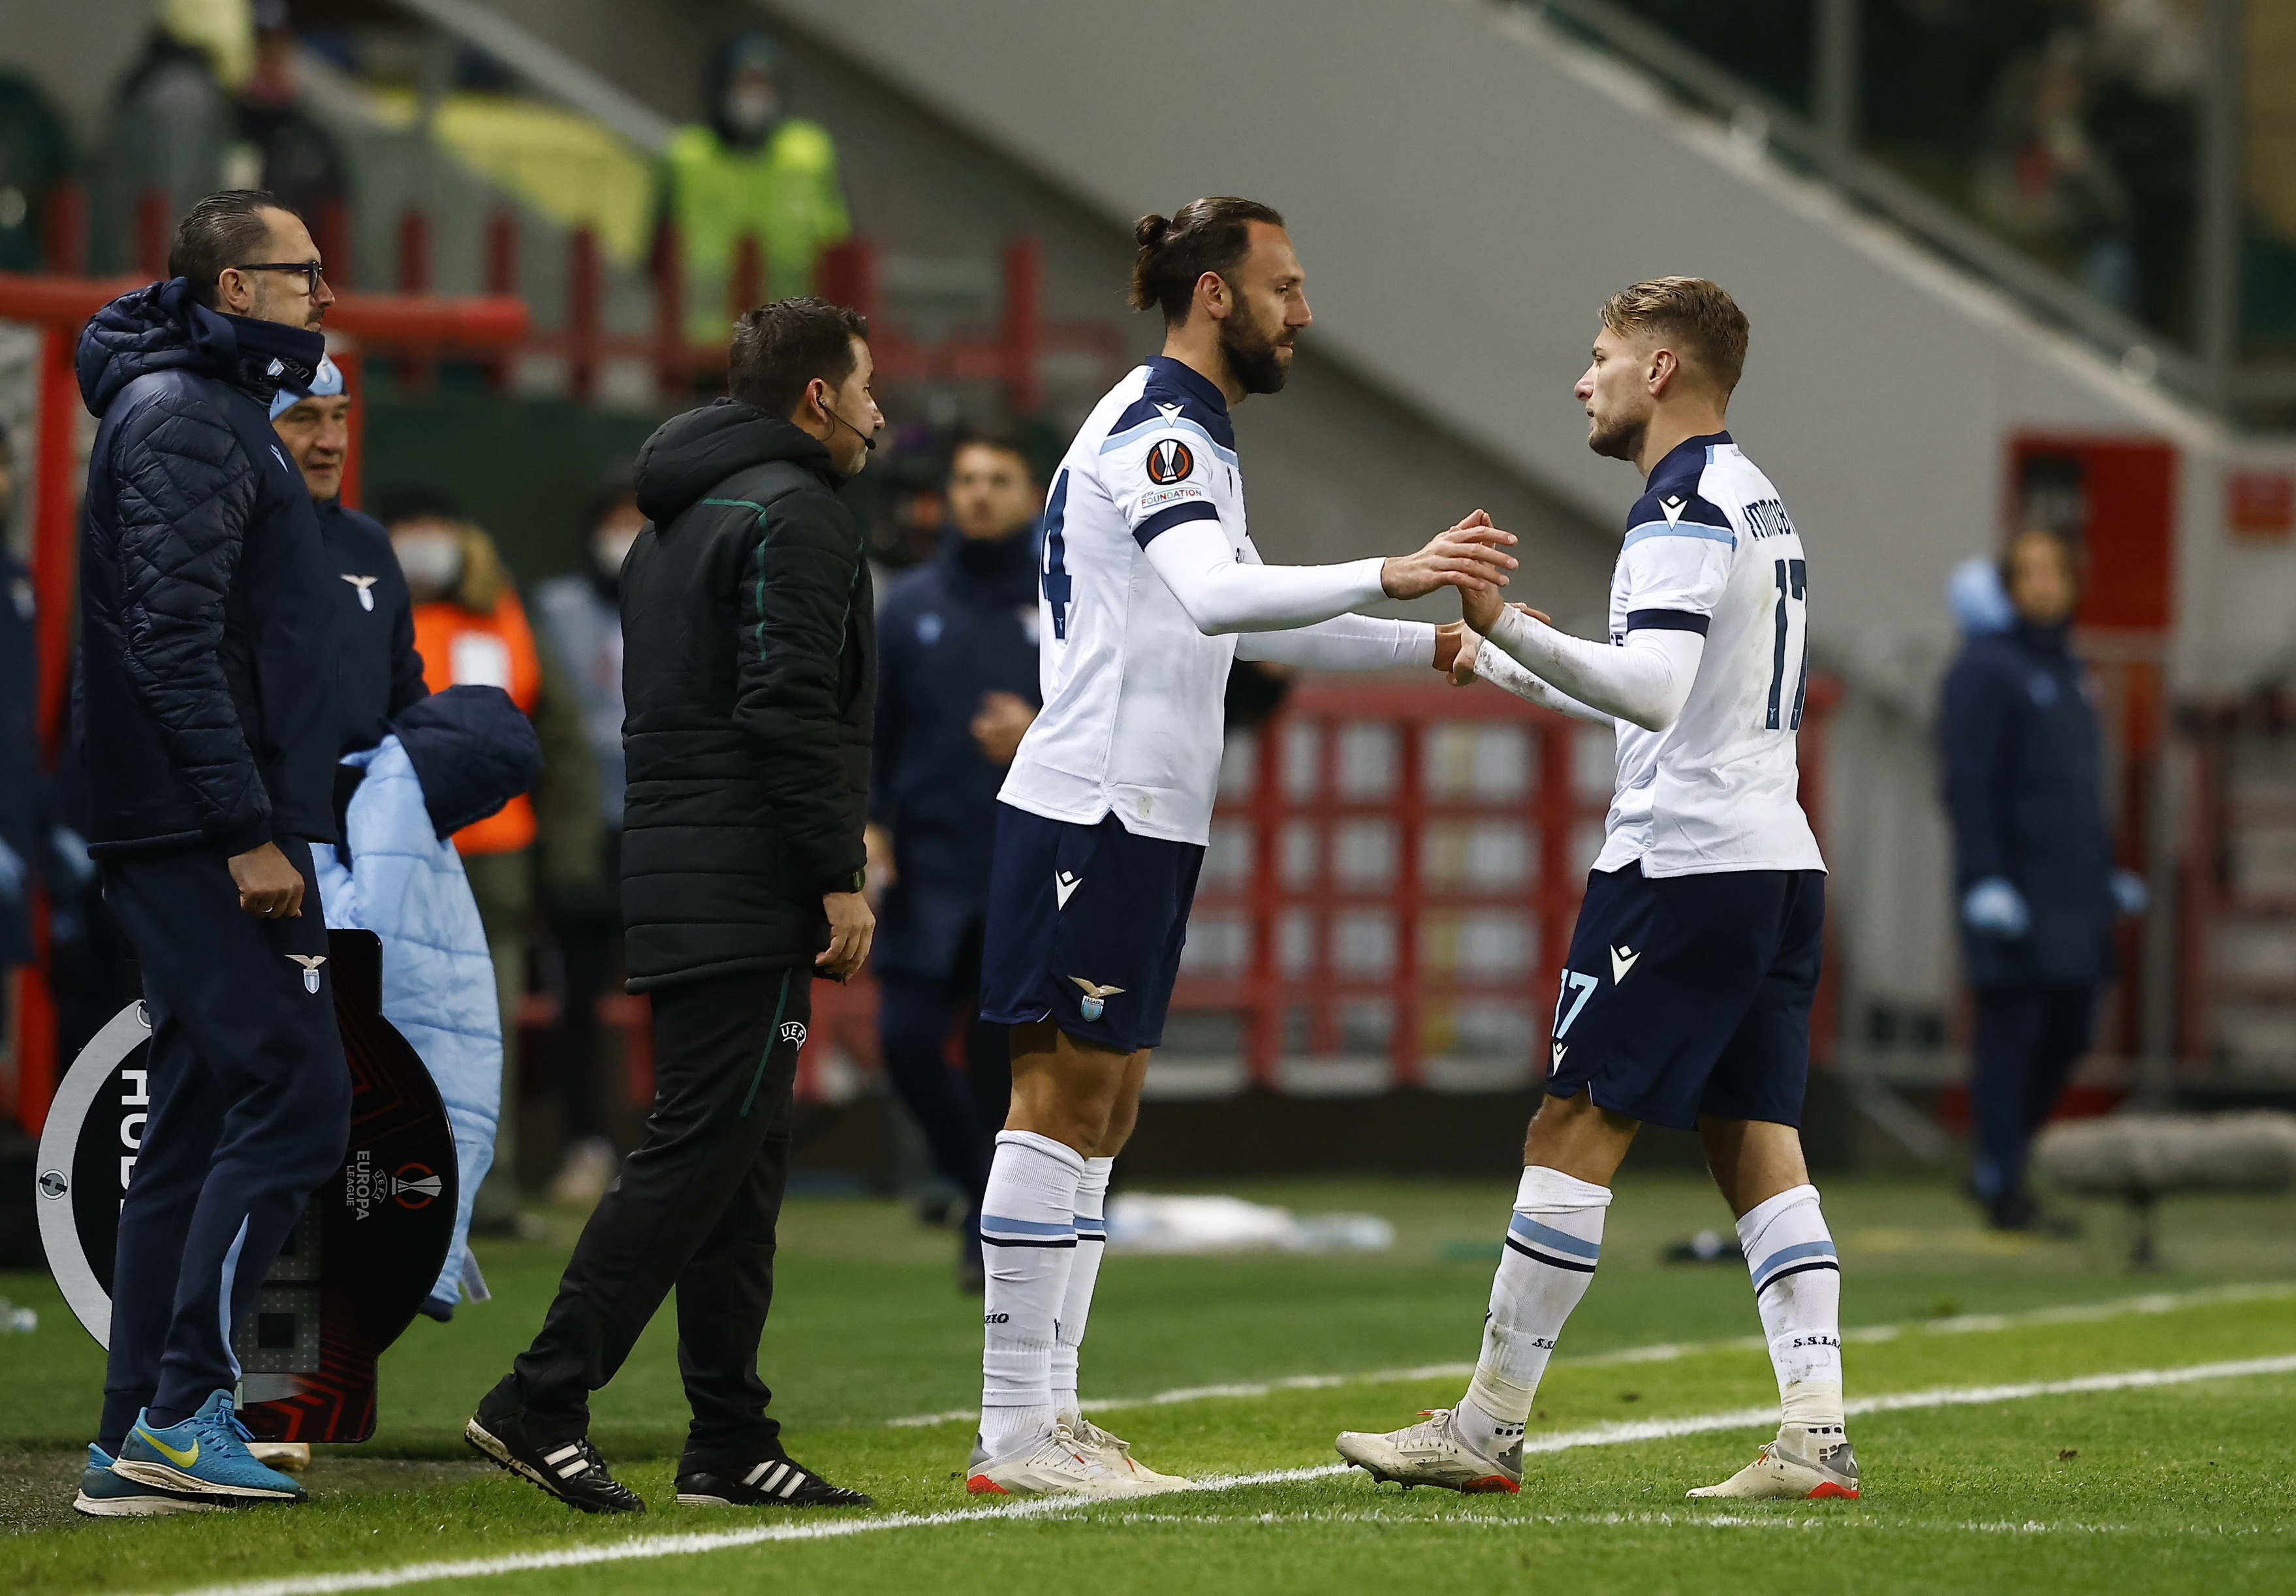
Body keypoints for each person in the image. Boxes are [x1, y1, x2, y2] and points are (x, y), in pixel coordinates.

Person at [966, 197, 1512, 1498]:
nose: (1303, 313)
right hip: (1089, 799)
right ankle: (1012, 1430)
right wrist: (1394, 568)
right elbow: (1220, 592)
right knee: (1055, 1093)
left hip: (1150, 807)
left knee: (1107, 1102)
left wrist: (1426, 638)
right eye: (1286, 286)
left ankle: (1055, 1407)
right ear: (1214, 293)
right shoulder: (1160, 424)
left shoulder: (1193, 432)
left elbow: (1242, 617)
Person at [1335, 277, 1851, 1503]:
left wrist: (1503, 618)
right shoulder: (1755, 496)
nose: (1584, 379)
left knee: (1570, 1127)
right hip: (1773, 860)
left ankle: (1487, 1425)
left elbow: (1654, 693)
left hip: (1681, 869)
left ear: (1661, 370)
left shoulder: (1677, 505)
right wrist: (1506, 658)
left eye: (1603, 356)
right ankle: (1813, 1434)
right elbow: (1668, 694)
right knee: (1753, 1141)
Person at [465, 297, 882, 1515]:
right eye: (864, 390)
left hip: (679, 864)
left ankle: (728, 1438)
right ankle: (540, 1396)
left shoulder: (676, 521)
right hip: (745, 883)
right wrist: (836, 873)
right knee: (701, 1149)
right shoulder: (797, 512)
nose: (877, 416)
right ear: (815, 399)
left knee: (739, 1161)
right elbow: (785, 705)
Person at [72, 189, 344, 1514]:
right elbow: (170, 647)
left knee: (189, 1118)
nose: (324, 293)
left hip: (190, 817)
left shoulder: (209, 406)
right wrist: (245, 827)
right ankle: (185, 1409)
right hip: (198, 826)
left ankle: (131, 1432)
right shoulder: (186, 415)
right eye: (301, 274)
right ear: (236, 290)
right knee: (296, 1096)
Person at [271, 358, 527, 1322]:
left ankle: (308, 1371)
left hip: (373, 862)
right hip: (253, 863)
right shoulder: (221, 546)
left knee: (382, 1097)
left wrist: (456, 751)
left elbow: (401, 702)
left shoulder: (368, 548)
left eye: (340, 417)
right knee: (276, 1118)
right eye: (304, 418)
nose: (331, 438)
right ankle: (240, 1380)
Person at [377, 484, 600, 1230]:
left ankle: (485, 1194)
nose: (425, 537)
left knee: (483, 1033)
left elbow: (560, 740)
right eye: (410, 523)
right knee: (389, 1026)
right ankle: (387, 1190)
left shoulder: (504, 612)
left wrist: (568, 863)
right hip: (390, 854)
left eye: (436, 522)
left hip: (495, 864)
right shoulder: (367, 608)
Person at [869, 429, 1043, 1291]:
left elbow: (1115, 719)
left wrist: (1036, 731)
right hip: (928, 865)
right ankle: (976, 1187)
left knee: (995, 1058)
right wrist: (866, 825)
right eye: (966, 479)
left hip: (1026, 864)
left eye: (998, 478)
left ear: (1034, 496)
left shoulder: (1067, 604)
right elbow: (870, 734)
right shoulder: (906, 607)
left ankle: (993, 1228)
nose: (978, 493)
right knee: (901, 1039)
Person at [1939, 526, 2143, 1232]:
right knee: (2012, 1038)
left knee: (2070, 1032)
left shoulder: (2070, 671)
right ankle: (2001, 1178)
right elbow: (1969, 786)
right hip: (2016, 894)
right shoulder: (1984, 670)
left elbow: (2079, 789)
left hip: (2073, 894)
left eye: (2054, 569)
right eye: (2028, 572)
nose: (2045, 584)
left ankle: (2004, 1158)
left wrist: (2106, 867)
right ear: (2007, 586)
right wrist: (1984, 879)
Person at [532, 483, 644, 1205]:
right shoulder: (555, 608)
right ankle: (587, 1145)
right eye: (611, 526)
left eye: (636, 526)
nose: (622, 539)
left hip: (662, 823)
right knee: (577, 998)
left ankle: (677, 1148)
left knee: (677, 996)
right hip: (578, 830)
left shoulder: (689, 603)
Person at [661, 33, 851, 345]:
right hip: (703, 345)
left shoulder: (809, 156)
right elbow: (658, 249)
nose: (755, 96)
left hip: (792, 343)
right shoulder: (688, 157)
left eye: (763, 84)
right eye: (745, 83)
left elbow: (842, 242)